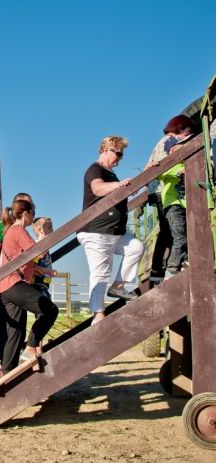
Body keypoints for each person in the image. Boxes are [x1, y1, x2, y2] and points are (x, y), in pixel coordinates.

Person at [77, 136, 144, 323]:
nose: (120, 158)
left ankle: (118, 285)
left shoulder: (111, 174)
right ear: (106, 149)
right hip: (97, 231)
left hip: (113, 231)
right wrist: (119, 185)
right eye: (119, 153)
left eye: (122, 155)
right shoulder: (95, 169)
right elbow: (98, 189)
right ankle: (98, 314)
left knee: (135, 248)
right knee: (101, 272)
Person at [0, 200, 59, 372]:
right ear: (25, 214)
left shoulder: (11, 231)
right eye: (32, 213)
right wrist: (45, 237)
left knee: (15, 334)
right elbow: (36, 250)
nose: (33, 216)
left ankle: (7, 373)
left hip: (5, 289)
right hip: (15, 284)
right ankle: (31, 348)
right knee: (50, 310)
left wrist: (42, 270)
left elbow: (25, 260)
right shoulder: (18, 230)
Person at [0, 192, 34, 376]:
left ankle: (9, 365)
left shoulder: (21, 229)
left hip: (18, 282)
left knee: (15, 327)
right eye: (29, 206)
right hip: (5, 282)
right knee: (9, 327)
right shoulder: (4, 226)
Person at [144, 115, 195, 280]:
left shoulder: (168, 141)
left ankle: (170, 266)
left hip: (170, 193)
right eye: (188, 131)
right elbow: (158, 169)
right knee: (173, 233)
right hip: (165, 193)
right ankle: (167, 270)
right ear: (180, 129)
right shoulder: (171, 141)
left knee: (173, 232)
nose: (188, 135)